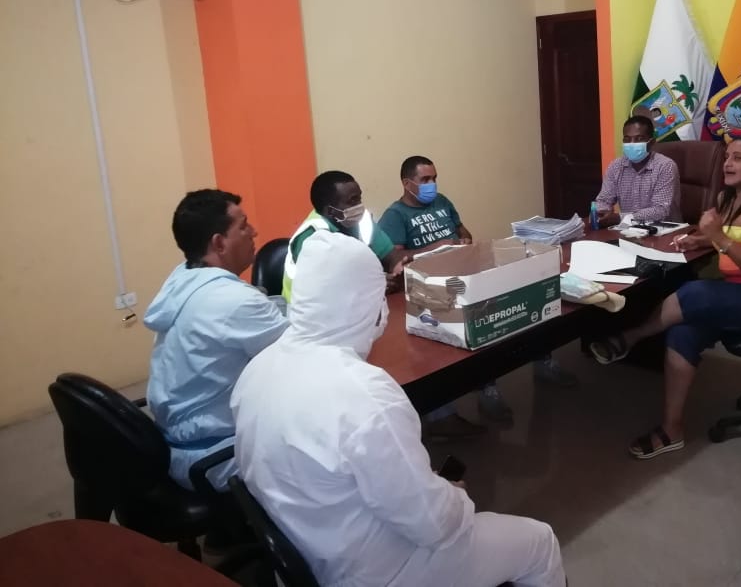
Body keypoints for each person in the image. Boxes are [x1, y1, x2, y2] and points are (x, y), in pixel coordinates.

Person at [231, 231, 566, 587]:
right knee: (539, 542)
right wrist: (454, 495)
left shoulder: (255, 372)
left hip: (312, 555)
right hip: (385, 572)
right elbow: (436, 525)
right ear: (366, 303)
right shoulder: (365, 395)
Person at [588, 135, 741, 460]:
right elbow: (736, 239)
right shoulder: (726, 199)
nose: (727, 164)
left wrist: (717, 236)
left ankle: (630, 337)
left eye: (738, 158)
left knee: (696, 292)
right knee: (683, 332)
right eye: (727, 157)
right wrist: (701, 241)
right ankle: (672, 429)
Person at [380, 156, 577, 428]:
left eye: (434, 178)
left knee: (512, 305)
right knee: (473, 329)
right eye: (425, 180)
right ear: (407, 183)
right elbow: (394, 260)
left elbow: (464, 232)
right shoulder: (395, 216)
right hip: (429, 289)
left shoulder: (442, 202)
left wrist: (462, 239)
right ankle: (483, 390)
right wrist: (436, 246)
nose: (432, 184)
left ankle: (538, 362)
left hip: (462, 274)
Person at [145, 189, 289, 490]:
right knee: (333, 446)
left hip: (174, 443)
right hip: (216, 456)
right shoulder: (234, 300)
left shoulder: (183, 278)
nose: (254, 232)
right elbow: (302, 354)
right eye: (243, 226)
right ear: (219, 243)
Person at [283, 170, 407, 301]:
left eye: (359, 198)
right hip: (307, 307)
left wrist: (398, 266)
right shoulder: (311, 235)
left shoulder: (361, 220)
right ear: (331, 211)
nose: (359, 205)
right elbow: (326, 288)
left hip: (356, 302)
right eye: (353, 200)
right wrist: (371, 284)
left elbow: (390, 255)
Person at [593, 115, 681, 228]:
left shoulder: (665, 166)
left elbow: (661, 210)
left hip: (663, 230)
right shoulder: (616, 166)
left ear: (652, 142)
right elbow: (603, 200)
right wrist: (600, 212)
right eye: (627, 139)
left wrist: (620, 218)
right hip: (628, 230)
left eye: (639, 139)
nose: (632, 143)